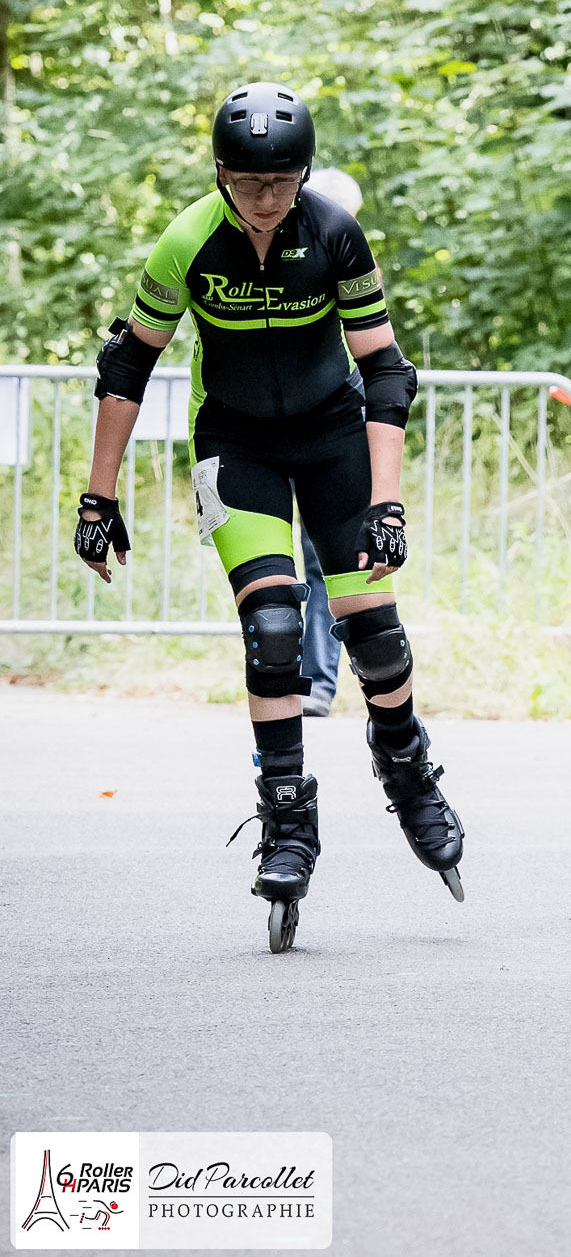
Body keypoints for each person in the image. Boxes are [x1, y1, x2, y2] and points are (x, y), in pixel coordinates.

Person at [73, 82, 464, 949]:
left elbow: (386, 371)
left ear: (305, 174)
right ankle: (287, 823)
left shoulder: (334, 233)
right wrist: (98, 497)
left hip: (333, 440)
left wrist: (388, 502)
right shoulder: (187, 240)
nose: (265, 197)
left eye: (283, 181)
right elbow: (127, 366)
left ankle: (408, 771)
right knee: (275, 629)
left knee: (376, 638)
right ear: (220, 174)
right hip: (235, 441)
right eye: (249, 181)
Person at [297, 166, 364, 719]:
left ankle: (319, 682)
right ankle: (288, 675)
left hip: (337, 417)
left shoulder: (353, 259)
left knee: (328, 561)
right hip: (270, 423)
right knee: (277, 564)